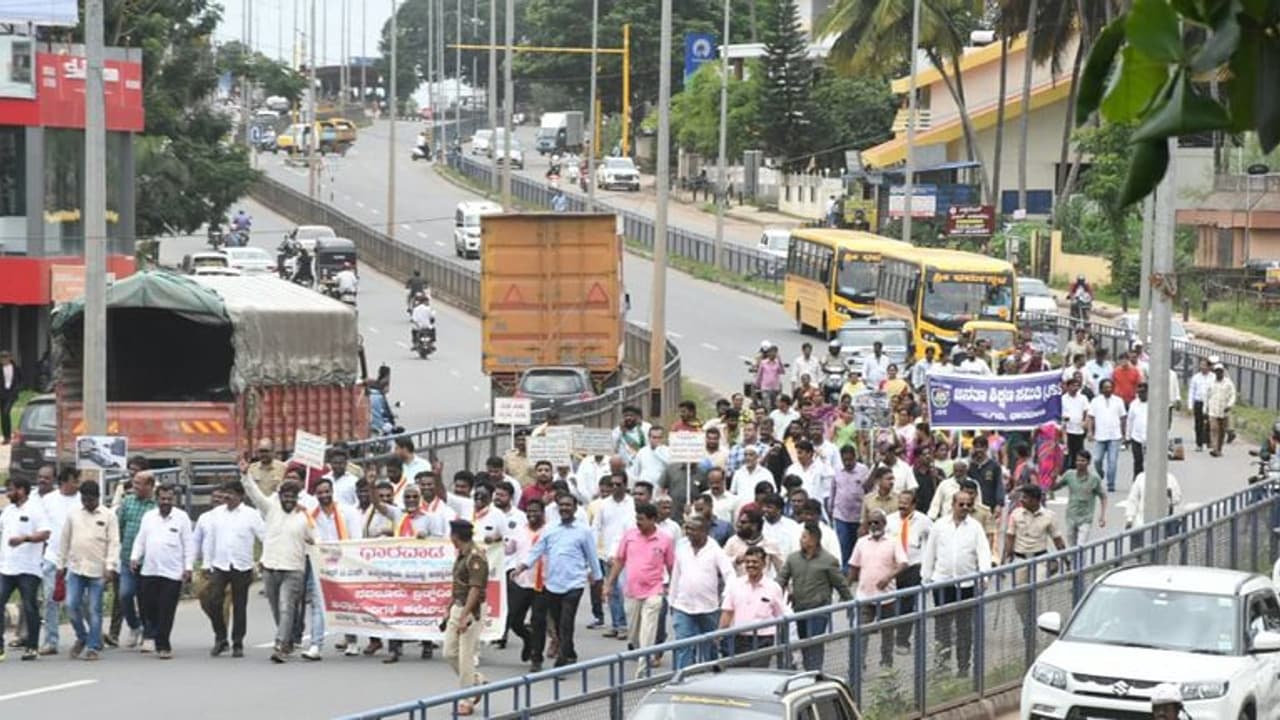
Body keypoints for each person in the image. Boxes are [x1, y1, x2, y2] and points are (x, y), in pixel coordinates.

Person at [241, 460, 316, 664]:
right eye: (286, 496)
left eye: (293, 497)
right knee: (277, 610)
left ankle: (280, 645)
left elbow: (315, 538)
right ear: (280, 497)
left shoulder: (304, 516)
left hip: (293, 570)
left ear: (297, 498)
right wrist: (245, 475)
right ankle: (288, 639)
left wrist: (311, 540)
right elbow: (254, 494)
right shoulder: (271, 509)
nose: (289, 500)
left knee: (286, 607)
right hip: (270, 567)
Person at [520, 494, 601, 669]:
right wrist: (522, 566)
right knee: (556, 623)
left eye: (568, 505)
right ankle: (570, 652)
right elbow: (537, 550)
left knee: (566, 622)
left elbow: (592, 556)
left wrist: (598, 579)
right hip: (553, 584)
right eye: (561, 505)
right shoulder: (550, 529)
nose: (564, 508)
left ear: (575, 508)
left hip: (574, 583)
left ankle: (562, 660)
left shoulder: (583, 531)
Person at [921, 489, 991, 677]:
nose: (965, 508)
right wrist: (925, 578)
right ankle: (942, 665)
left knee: (964, 627)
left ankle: (963, 666)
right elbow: (930, 552)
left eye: (968, 504)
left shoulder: (975, 527)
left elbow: (983, 552)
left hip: (966, 583)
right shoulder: (940, 526)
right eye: (961, 504)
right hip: (942, 582)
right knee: (942, 626)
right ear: (953, 505)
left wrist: (984, 576)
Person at [603, 503, 674, 676]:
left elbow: (672, 566)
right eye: (637, 519)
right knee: (634, 635)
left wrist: (673, 589)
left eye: (641, 519)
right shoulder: (629, 536)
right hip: (633, 592)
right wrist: (609, 584)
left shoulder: (665, 540)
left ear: (652, 520)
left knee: (648, 631)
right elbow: (620, 561)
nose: (638, 523)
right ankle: (639, 650)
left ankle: (642, 670)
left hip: (655, 591)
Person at [201, 480, 265, 659]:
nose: (227, 497)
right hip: (220, 564)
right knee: (213, 601)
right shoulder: (216, 514)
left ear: (240, 496)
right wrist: (207, 563)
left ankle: (238, 642)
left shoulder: (251, 515)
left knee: (239, 606)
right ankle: (220, 637)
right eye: (225, 493)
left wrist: (262, 560)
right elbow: (210, 540)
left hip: (241, 565)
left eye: (231, 493)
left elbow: (264, 537)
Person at [57, 480, 119, 661]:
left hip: (97, 571)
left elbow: (114, 543)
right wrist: (60, 564)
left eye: (91, 500)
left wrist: (110, 566)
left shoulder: (108, 516)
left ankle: (93, 646)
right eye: (84, 500)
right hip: (76, 567)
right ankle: (82, 636)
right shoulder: (73, 514)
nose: (87, 503)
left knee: (94, 609)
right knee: (71, 605)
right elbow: (64, 540)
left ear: (98, 498)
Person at [129, 485, 194, 659]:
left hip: (172, 573)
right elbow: (140, 539)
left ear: (173, 500)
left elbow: (189, 544)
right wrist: (135, 557)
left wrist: (188, 567)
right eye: (163, 498)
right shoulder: (149, 517)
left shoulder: (182, 518)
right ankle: (153, 633)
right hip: (150, 570)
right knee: (148, 607)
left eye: (169, 499)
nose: (166, 502)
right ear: (157, 499)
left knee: (166, 609)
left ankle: (163, 644)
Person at [777, 522, 850, 671]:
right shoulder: (793, 559)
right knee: (804, 641)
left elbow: (841, 584)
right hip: (799, 608)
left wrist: (851, 604)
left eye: (804, 537)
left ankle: (815, 672)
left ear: (814, 539)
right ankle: (807, 669)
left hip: (818, 610)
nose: (801, 540)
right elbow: (781, 579)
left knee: (815, 642)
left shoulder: (828, 560)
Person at [668, 516, 735, 670]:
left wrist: (726, 599)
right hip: (683, 606)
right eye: (687, 529)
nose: (689, 533)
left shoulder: (715, 550)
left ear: (705, 531)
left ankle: (710, 676)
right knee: (683, 644)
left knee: (710, 645)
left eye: (694, 529)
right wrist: (672, 601)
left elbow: (729, 575)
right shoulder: (682, 546)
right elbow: (676, 575)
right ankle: (683, 677)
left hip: (708, 607)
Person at [848, 509, 907, 669]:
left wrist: (888, 577)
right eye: (870, 523)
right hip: (865, 596)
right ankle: (857, 665)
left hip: (887, 596)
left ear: (884, 524)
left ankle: (886, 663)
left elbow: (903, 563)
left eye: (877, 522)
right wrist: (846, 589)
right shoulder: (861, 542)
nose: (874, 526)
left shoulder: (893, 541)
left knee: (887, 633)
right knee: (861, 633)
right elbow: (854, 566)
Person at [0, 477, 52, 661]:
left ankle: (32, 646)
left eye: (11, 489)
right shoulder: (8, 511)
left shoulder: (35, 509)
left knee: (30, 606)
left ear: (22, 490)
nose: (7, 493)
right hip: (7, 567)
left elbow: (45, 533)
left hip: (28, 568)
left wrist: (25, 539)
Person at [443, 520, 489, 715]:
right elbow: (458, 585)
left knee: (465, 656)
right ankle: (477, 682)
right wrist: (449, 608)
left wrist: (464, 616)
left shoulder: (475, 558)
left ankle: (467, 699)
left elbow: (475, 590)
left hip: (471, 610)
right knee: (449, 652)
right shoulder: (461, 555)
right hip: (458, 606)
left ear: (455, 536)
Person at [718, 546, 787, 666]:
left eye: (755, 562)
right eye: (747, 562)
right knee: (739, 675)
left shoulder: (773, 587)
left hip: (763, 639)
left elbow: (780, 615)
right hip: (739, 638)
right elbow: (727, 612)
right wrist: (720, 634)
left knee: (758, 674)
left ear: (764, 564)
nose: (751, 565)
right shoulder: (735, 585)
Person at [112, 469, 157, 649]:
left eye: (139, 483)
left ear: (150, 486)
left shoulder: (155, 506)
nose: (135, 486)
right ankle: (134, 625)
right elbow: (118, 528)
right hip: (127, 559)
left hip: (149, 562)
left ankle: (149, 634)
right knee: (125, 594)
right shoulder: (127, 502)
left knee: (147, 599)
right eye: (134, 482)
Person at [883, 489, 931, 655]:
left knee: (907, 604)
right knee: (889, 604)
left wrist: (927, 567)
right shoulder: (889, 520)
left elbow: (931, 542)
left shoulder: (924, 521)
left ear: (914, 504)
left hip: (912, 567)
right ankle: (886, 641)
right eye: (900, 502)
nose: (902, 505)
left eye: (906, 502)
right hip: (892, 568)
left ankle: (903, 639)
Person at [1051, 451, 1107, 546]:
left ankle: (1080, 561)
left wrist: (1102, 516)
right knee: (1072, 546)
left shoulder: (1094, 478)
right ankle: (1073, 561)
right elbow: (1054, 488)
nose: (1079, 463)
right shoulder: (1069, 475)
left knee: (1081, 545)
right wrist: (1053, 478)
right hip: (1071, 516)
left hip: (1086, 518)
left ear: (1088, 463)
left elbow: (1103, 497)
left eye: (1083, 461)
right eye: (1078, 460)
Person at [1086, 379, 1127, 493]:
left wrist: (1124, 433)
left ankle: (1111, 484)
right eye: (1105, 387)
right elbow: (1091, 417)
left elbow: (1123, 418)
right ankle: (1100, 472)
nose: (1108, 389)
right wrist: (1090, 431)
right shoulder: (1095, 401)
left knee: (1112, 462)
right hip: (1100, 435)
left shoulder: (1118, 401)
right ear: (1101, 389)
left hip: (1114, 435)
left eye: (1110, 387)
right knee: (1097, 460)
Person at [1206, 362, 1236, 457]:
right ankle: (1214, 448)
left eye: (1220, 371)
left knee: (1222, 431)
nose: (1218, 373)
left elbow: (1233, 395)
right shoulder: (1211, 383)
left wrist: (1229, 405)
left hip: (1224, 410)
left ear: (1223, 372)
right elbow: (1207, 395)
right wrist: (1205, 408)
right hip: (1213, 410)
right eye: (1217, 371)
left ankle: (1219, 448)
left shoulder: (1228, 383)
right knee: (1214, 429)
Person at [1188, 359, 1213, 452]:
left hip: (1209, 403)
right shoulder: (1196, 377)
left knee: (1210, 423)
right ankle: (1199, 444)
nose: (1202, 367)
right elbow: (1191, 392)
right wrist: (1190, 405)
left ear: (1209, 367)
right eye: (1201, 365)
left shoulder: (1213, 377)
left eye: (1205, 365)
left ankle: (1208, 440)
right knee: (1198, 424)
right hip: (1198, 402)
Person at [0, 349, 21, 444]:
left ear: (10, 358)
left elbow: (20, 380)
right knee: (3, 416)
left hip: (11, 394)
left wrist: (17, 389)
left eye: (5, 357)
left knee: (5, 412)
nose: (3, 360)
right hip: (2, 394)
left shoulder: (16, 368)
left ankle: (8, 436)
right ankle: (6, 437)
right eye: (1, 358)